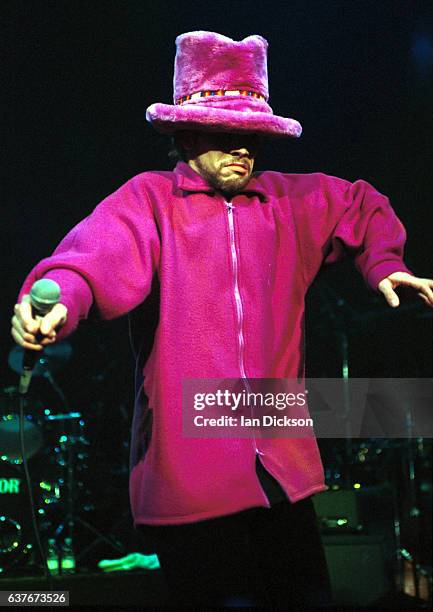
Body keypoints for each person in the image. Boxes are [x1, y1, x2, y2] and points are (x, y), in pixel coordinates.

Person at [11, 31, 433, 606]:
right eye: (227, 132)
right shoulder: (150, 202)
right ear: (186, 131)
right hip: (193, 475)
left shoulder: (289, 201)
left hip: (281, 468)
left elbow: (361, 204)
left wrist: (383, 262)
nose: (243, 148)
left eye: (252, 135)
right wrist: (55, 301)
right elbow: (90, 261)